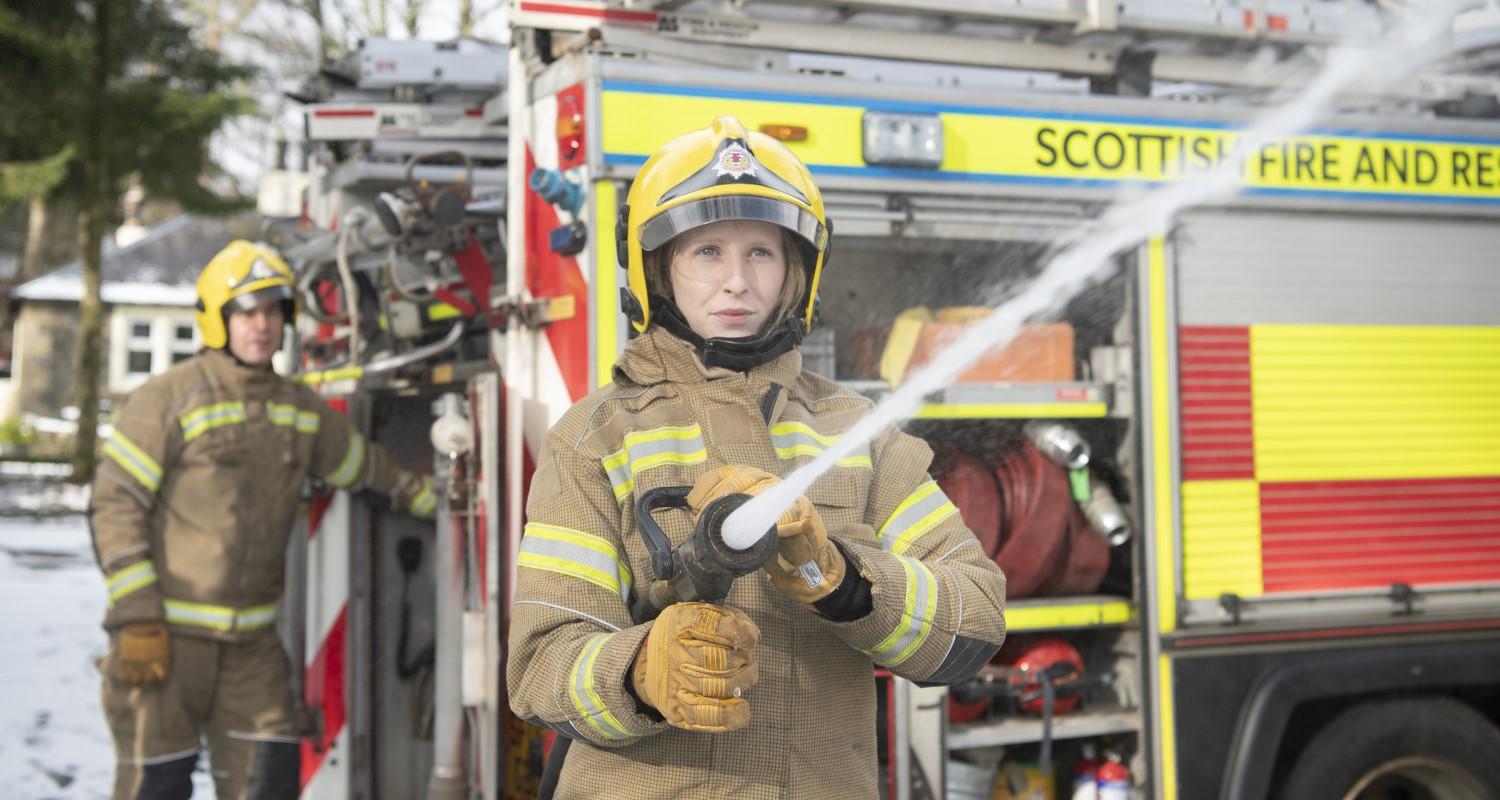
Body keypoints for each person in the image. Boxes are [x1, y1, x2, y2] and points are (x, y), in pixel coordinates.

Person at [507, 116, 1007, 798]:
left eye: (761, 254)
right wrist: (642, 673)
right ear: (659, 269)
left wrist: (847, 583)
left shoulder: (856, 432)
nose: (736, 282)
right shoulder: (597, 438)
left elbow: (973, 622)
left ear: (797, 271)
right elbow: (541, 670)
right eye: (707, 252)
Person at [89, 240, 437, 800]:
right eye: (247, 312)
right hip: (165, 640)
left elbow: (362, 465)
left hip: (252, 649)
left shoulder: (297, 409)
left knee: (268, 781)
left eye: (273, 311)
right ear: (217, 320)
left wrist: (434, 501)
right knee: (156, 784)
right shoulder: (165, 400)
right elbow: (115, 503)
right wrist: (136, 615)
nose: (262, 325)